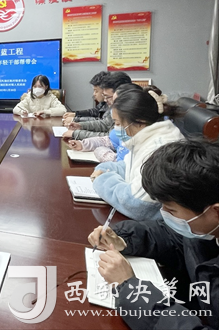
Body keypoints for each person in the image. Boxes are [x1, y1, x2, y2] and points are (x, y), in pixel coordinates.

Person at [88, 139, 218, 330]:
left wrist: (130, 288)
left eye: (171, 210)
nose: (164, 214)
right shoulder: (206, 228)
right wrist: (124, 240)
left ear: (215, 211)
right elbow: (174, 238)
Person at [90, 88, 183, 220]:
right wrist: (104, 169)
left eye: (118, 123)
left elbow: (136, 205)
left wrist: (102, 179)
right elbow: (128, 167)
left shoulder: (160, 149)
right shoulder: (144, 137)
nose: (116, 128)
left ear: (139, 122)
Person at [68, 83, 142, 162]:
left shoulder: (139, 142)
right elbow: (108, 141)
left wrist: (100, 151)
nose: (106, 100)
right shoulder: (121, 130)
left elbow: (120, 163)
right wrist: (83, 144)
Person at [64, 71, 132, 139]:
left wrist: (76, 133)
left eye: (107, 97)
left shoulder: (128, 111)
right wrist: (80, 125)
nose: (105, 100)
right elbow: (105, 124)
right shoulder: (115, 107)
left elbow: (109, 138)